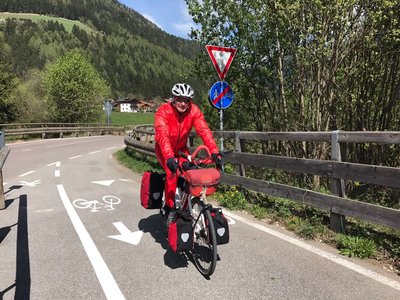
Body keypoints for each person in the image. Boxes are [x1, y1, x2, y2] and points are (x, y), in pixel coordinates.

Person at [154, 83, 222, 228]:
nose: (183, 103)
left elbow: (204, 130)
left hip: (181, 150)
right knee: (171, 173)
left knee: (190, 173)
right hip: (164, 150)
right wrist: (169, 157)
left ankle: (187, 204)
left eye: (187, 100)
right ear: (173, 98)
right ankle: (170, 207)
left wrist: (214, 151)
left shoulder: (194, 111)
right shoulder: (163, 111)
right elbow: (162, 134)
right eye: (180, 99)